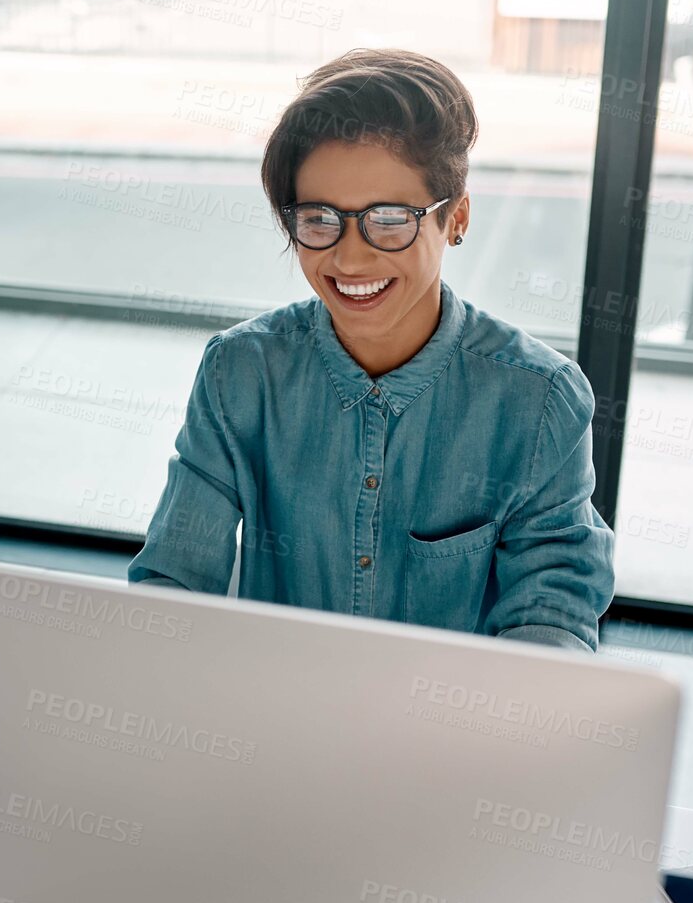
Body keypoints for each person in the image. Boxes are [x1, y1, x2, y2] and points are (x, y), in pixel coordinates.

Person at [128, 48, 614, 650]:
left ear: (455, 218)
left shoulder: (538, 401)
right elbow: (175, 575)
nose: (350, 258)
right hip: (271, 719)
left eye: (389, 220)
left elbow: (554, 616)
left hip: (452, 729)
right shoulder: (242, 372)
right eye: (319, 218)